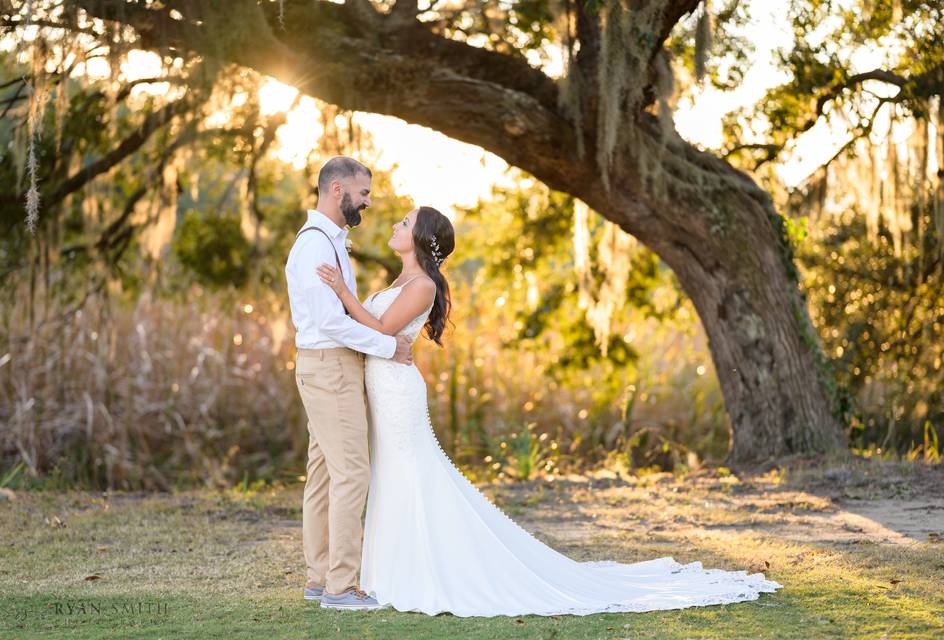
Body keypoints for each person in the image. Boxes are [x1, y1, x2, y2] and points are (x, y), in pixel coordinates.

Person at [316, 204, 783, 616]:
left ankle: (416, 572)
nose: (396, 225)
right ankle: (389, 570)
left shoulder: (421, 285)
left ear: (421, 240)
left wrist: (341, 292)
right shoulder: (399, 277)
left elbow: (379, 325)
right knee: (390, 475)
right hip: (380, 384)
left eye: (405, 222)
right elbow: (379, 333)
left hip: (397, 392)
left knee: (410, 474)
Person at [285, 156, 413, 612]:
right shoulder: (316, 246)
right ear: (337, 190)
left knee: (322, 473)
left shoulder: (328, 241)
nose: (368, 201)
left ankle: (319, 578)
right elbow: (330, 322)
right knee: (352, 473)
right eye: (363, 193)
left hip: (326, 366)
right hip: (331, 367)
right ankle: (340, 587)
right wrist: (388, 347)